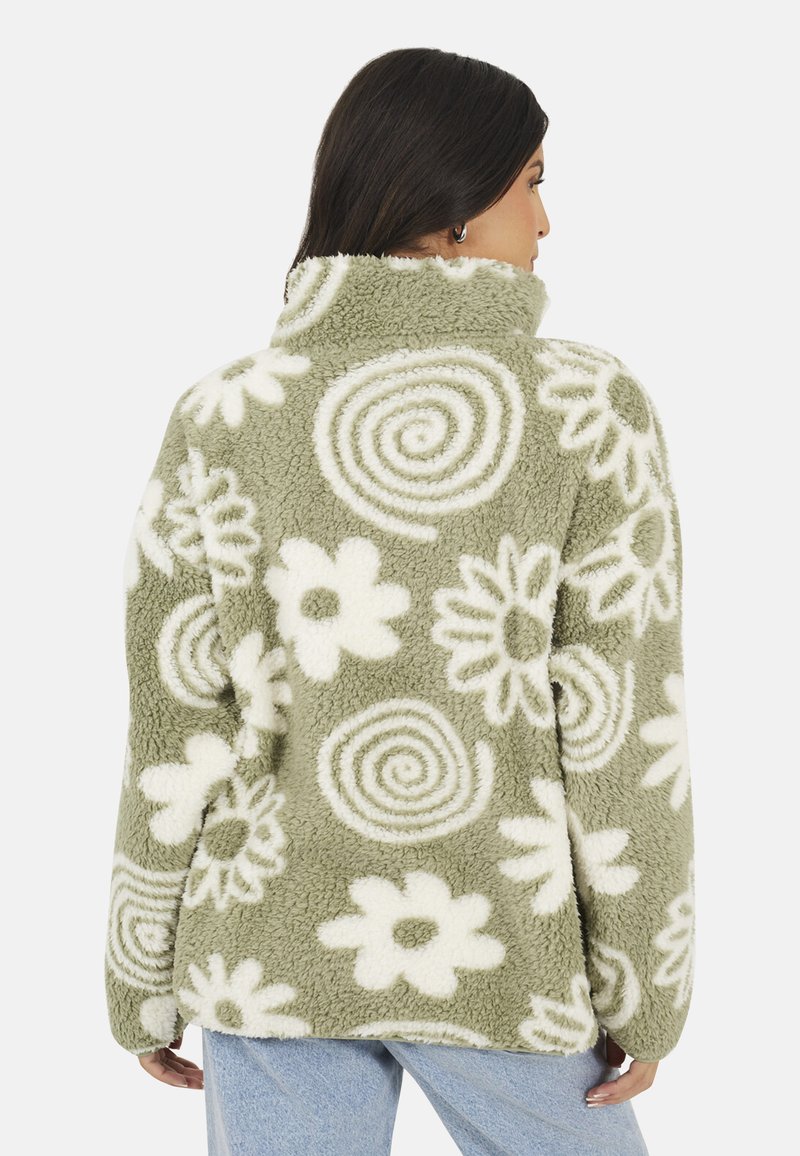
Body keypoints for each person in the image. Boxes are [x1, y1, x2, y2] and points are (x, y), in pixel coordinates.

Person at [104, 46, 695, 1156]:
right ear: (451, 211)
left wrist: (141, 975)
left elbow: (175, 721)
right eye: (531, 182)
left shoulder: (223, 415)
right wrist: (644, 985)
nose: (547, 221)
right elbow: (620, 728)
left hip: (269, 950)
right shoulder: (586, 406)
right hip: (505, 950)